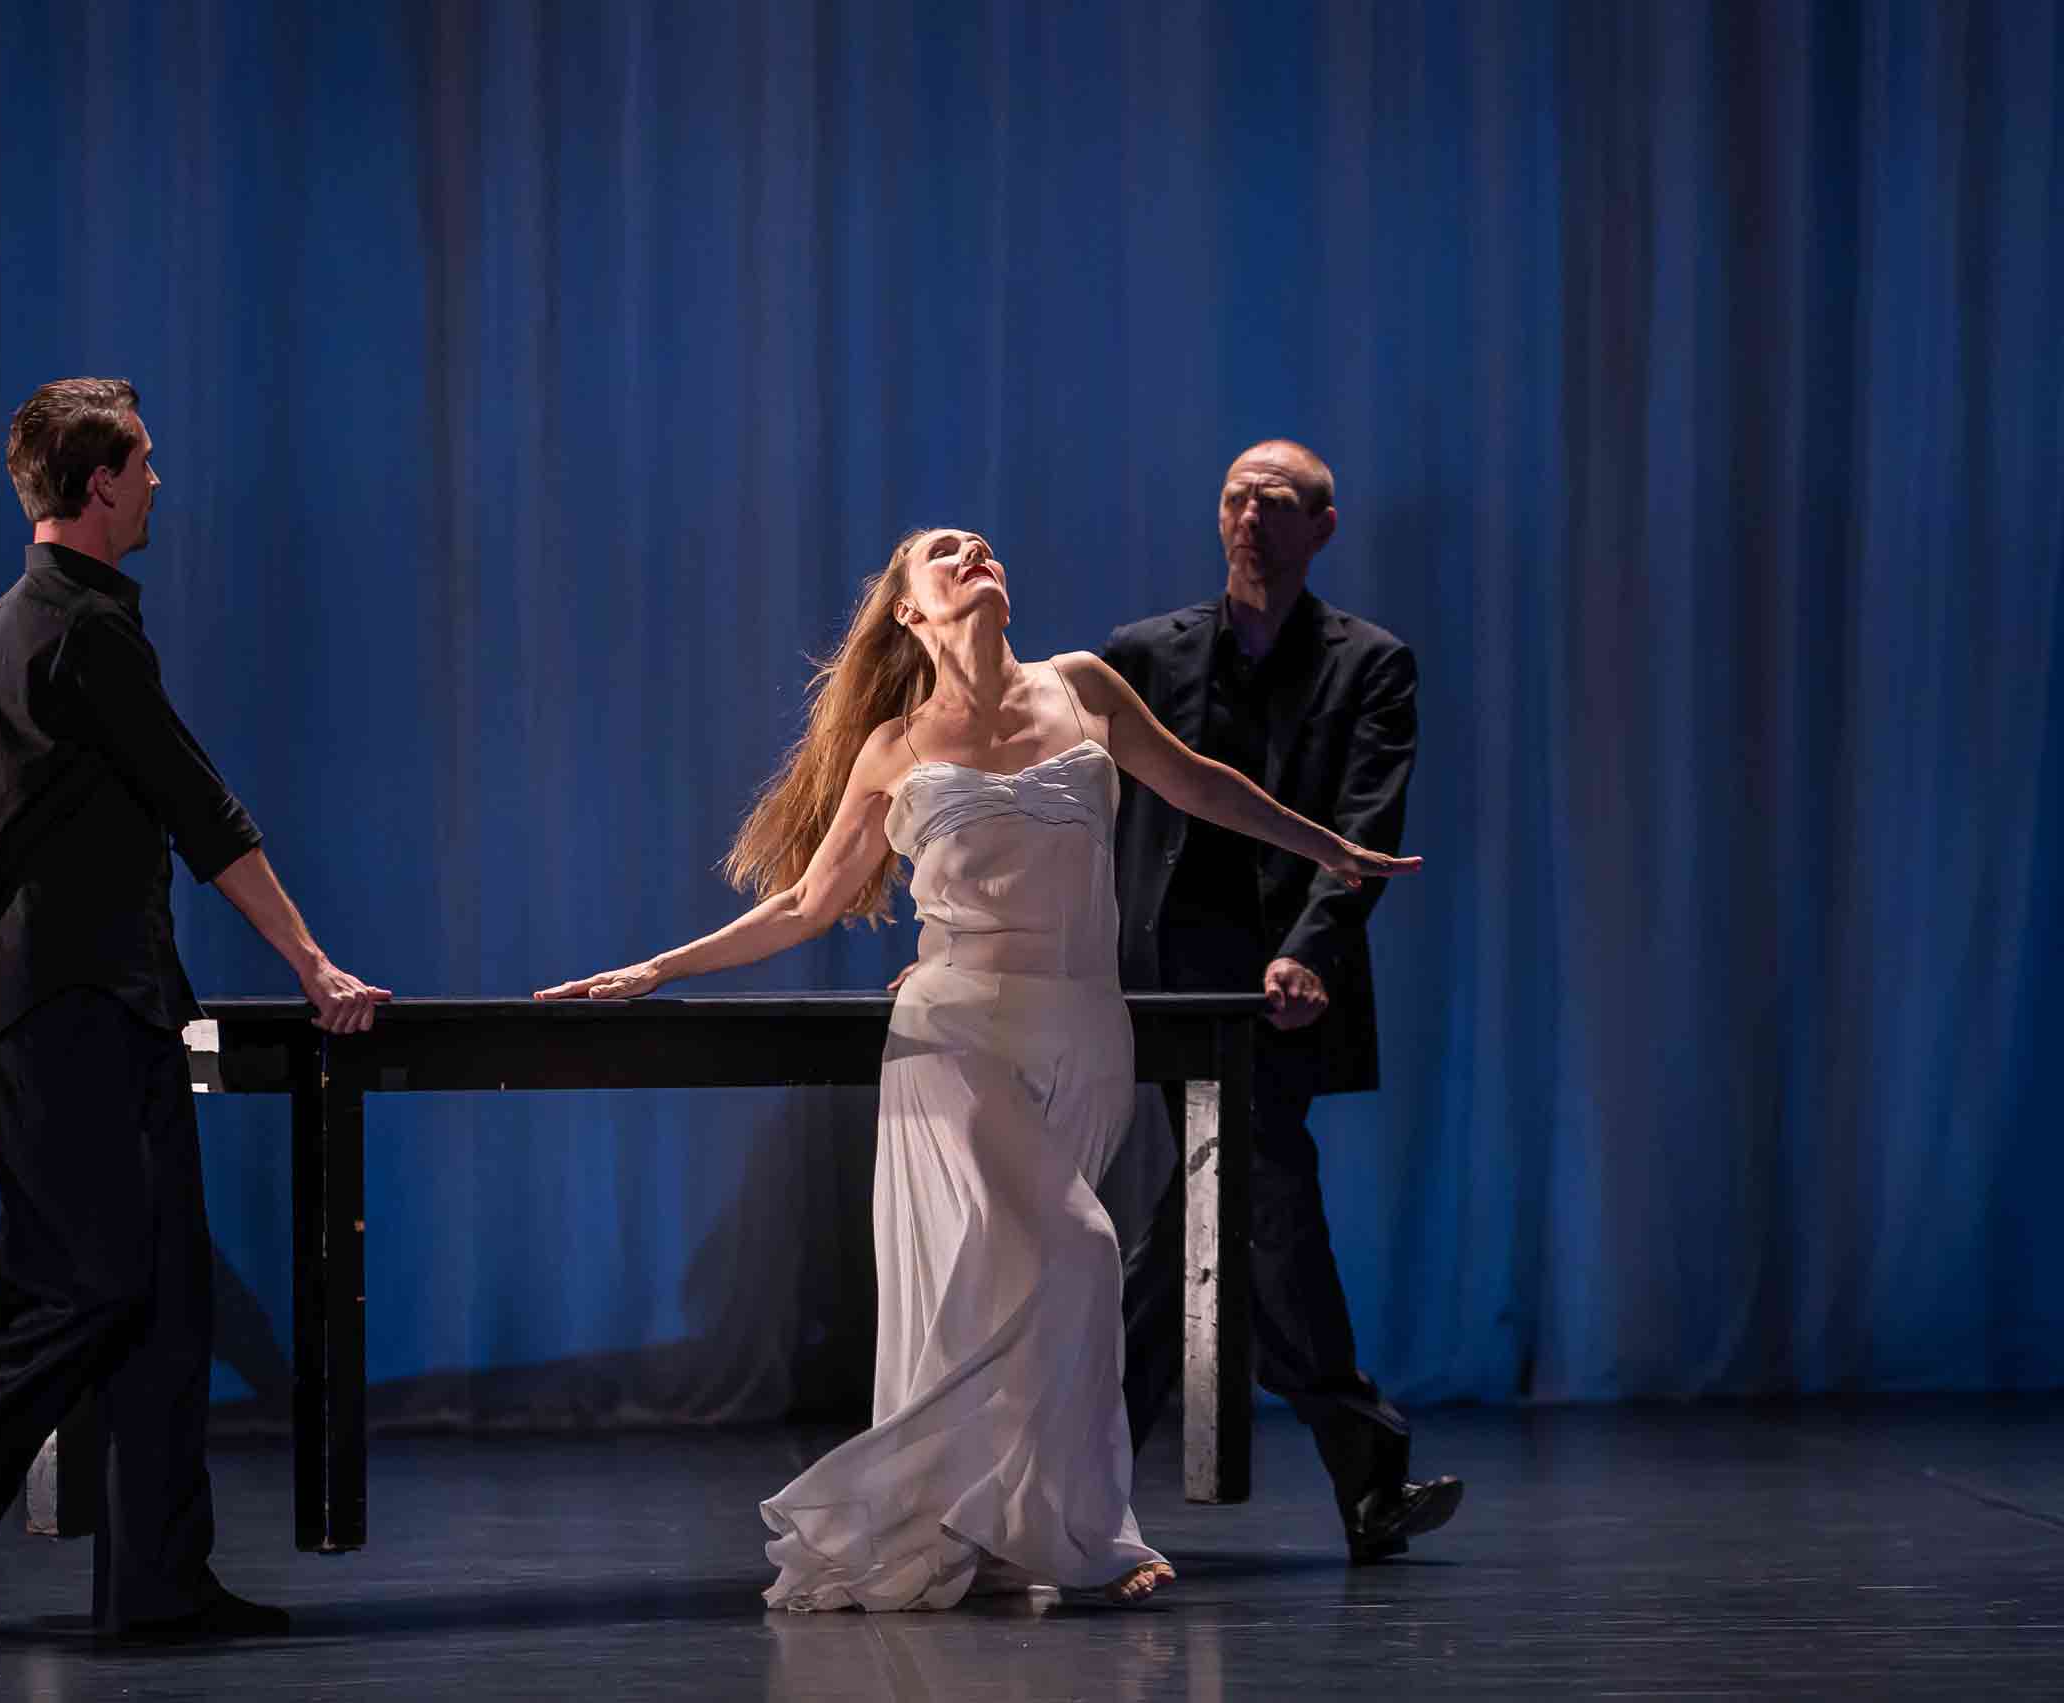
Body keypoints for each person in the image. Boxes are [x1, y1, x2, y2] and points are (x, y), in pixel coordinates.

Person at [538, 526, 1417, 1610]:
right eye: (942, 551)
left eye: (980, 543)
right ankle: (1087, 1532)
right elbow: (806, 904)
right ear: (909, 611)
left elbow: (1198, 784)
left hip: (1085, 1029)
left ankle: (996, 1522)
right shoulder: (894, 747)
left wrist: (1325, 845)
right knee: (1084, 1247)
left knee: (1019, 1286)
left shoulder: (1082, 687)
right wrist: (657, 967)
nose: (973, 550)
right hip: (955, 1034)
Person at [0, 378, 389, 1640]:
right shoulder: (81, 632)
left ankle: (157, 1584)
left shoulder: (3, 630)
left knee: (165, 1296)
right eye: (146, 464)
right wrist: (314, 963)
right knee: (91, 1281)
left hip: (76, 1001)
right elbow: (199, 808)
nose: (160, 484)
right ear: (99, 485)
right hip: (75, 1005)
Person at [1103, 438, 1462, 1563]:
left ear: (1323, 526)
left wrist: (1310, 950)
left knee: (1215, 1220)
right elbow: (1080, 811)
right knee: (1240, 1209)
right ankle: (1365, 1469)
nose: (1249, 517)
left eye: (1274, 500)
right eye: (1234, 498)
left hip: (1280, 993)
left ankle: (1074, 1476)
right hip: (1167, 982)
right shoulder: (1143, 654)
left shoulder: (1370, 663)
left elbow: (1365, 825)